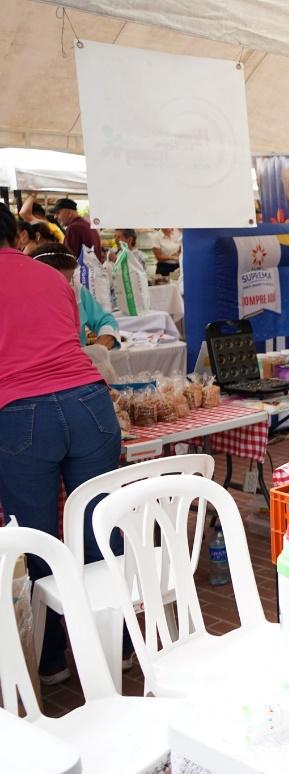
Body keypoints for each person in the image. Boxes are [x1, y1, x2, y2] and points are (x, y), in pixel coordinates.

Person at [0, 205, 122, 685]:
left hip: (22, 414)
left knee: (38, 541)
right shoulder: (51, 276)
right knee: (99, 529)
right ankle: (118, 649)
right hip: (90, 404)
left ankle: (50, 662)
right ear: (15, 234)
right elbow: (68, 340)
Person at [30, 244, 120, 350]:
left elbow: (106, 321)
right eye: (57, 282)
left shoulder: (77, 290)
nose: (66, 287)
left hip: (77, 361)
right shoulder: (27, 298)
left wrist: (99, 348)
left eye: (69, 280)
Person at [52, 197, 105, 263]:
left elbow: (70, 260)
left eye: (58, 213)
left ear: (69, 213)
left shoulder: (74, 228)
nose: (55, 217)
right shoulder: (87, 225)